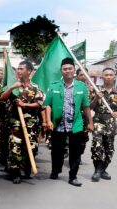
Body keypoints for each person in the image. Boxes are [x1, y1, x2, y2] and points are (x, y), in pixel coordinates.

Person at [44, 58, 93, 187]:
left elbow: (86, 107)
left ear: (74, 70)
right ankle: (55, 171)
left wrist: (90, 123)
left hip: (75, 125)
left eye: (70, 68)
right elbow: (47, 105)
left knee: (75, 152)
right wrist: (48, 120)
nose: (67, 71)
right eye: (65, 69)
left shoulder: (82, 87)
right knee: (56, 150)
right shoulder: (54, 85)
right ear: (61, 71)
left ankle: (73, 176)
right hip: (58, 124)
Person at [1, 61, 44, 184]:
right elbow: (3, 98)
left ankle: (27, 166)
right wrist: (12, 87)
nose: (18, 71)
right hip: (15, 123)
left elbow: (40, 103)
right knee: (15, 148)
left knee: (32, 147)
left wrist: (24, 104)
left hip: (31, 124)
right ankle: (16, 173)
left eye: (21, 69)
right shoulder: (13, 86)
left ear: (29, 71)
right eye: (17, 69)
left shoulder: (35, 87)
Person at [90, 67, 117, 182]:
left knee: (109, 150)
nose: (109, 77)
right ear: (102, 77)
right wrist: (96, 97)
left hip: (111, 123)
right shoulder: (96, 90)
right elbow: (90, 107)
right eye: (106, 75)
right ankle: (97, 171)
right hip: (98, 122)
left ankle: (103, 170)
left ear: (114, 77)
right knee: (97, 147)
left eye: (111, 75)